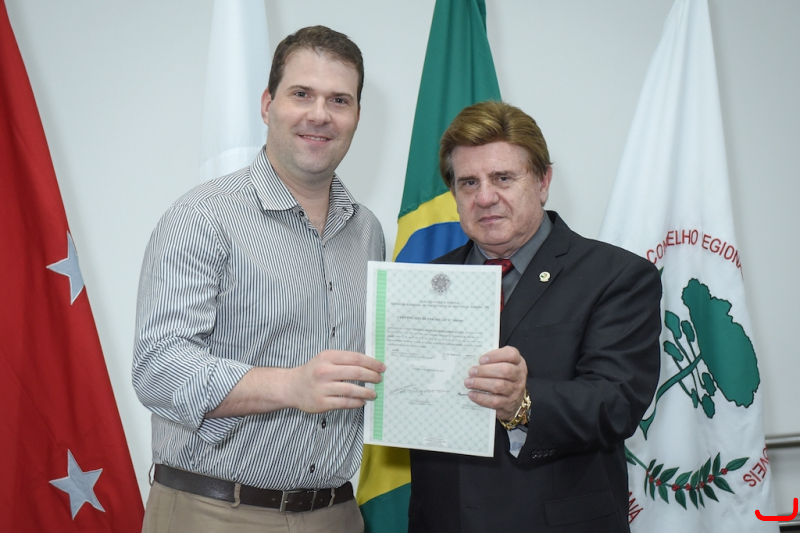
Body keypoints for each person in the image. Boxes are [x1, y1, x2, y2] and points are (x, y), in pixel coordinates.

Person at [132, 26, 385, 533]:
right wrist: (291, 385)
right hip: (214, 514)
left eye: (339, 100)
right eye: (302, 94)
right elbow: (158, 369)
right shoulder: (203, 217)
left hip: (336, 513)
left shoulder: (367, 232)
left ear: (357, 115)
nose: (320, 114)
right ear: (268, 105)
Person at [408, 101, 662, 532]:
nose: (485, 197)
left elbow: (616, 403)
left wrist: (523, 403)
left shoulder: (616, 275)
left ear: (543, 181)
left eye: (503, 178)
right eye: (468, 182)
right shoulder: (423, 284)